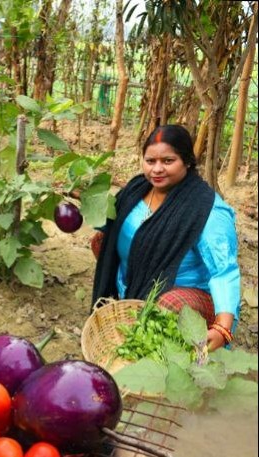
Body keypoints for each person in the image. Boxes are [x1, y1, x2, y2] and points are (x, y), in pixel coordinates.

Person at [90, 124, 240, 351]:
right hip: (136, 282)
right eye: (150, 161)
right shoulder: (135, 190)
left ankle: (181, 355)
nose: (157, 169)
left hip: (186, 293)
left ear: (187, 162)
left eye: (168, 161)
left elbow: (224, 270)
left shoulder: (206, 210)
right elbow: (109, 223)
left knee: (163, 307)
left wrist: (223, 326)